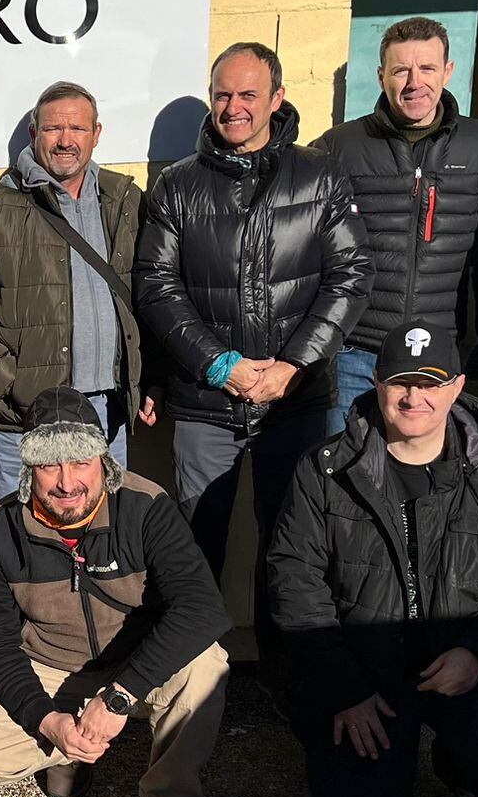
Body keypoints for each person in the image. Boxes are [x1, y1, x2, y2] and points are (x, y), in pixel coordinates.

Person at [266, 321, 478, 797]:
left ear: (456, 387)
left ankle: (467, 774)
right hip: (366, 668)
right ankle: (380, 752)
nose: (414, 398)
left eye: (430, 384)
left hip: (463, 657)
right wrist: (345, 685)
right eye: (402, 382)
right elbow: (294, 581)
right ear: (378, 383)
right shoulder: (323, 470)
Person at [133, 43, 371, 654]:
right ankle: (190, 666)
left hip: (295, 402)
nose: (233, 108)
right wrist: (220, 364)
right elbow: (156, 287)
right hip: (206, 402)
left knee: (291, 543)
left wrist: (291, 366)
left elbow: (351, 275)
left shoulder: (319, 176)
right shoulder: (176, 186)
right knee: (193, 542)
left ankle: (286, 670)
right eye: (222, 95)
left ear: (277, 98)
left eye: (247, 95)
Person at [0, 388, 230, 797]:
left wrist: (120, 697)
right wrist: (48, 719)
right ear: (27, 471)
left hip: (136, 663)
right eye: (48, 466)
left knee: (206, 666)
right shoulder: (0, 529)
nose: (66, 482)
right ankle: (71, 745)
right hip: (53, 663)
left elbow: (203, 607)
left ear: (104, 461)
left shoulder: (146, 506)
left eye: (80, 461)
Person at [0, 80, 155, 499]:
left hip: (107, 413)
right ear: (35, 134)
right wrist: (13, 384)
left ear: (97, 134)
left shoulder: (124, 201)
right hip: (25, 419)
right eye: (54, 129)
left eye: (78, 128)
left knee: (103, 536)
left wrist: (150, 379)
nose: (65, 141)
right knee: (24, 542)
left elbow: (151, 294)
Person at [314, 17, 478, 434]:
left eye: (427, 68)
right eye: (400, 70)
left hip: (437, 355)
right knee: (341, 476)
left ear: (447, 71)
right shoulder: (340, 147)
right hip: (356, 353)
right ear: (381, 76)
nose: (414, 82)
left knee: (420, 477)